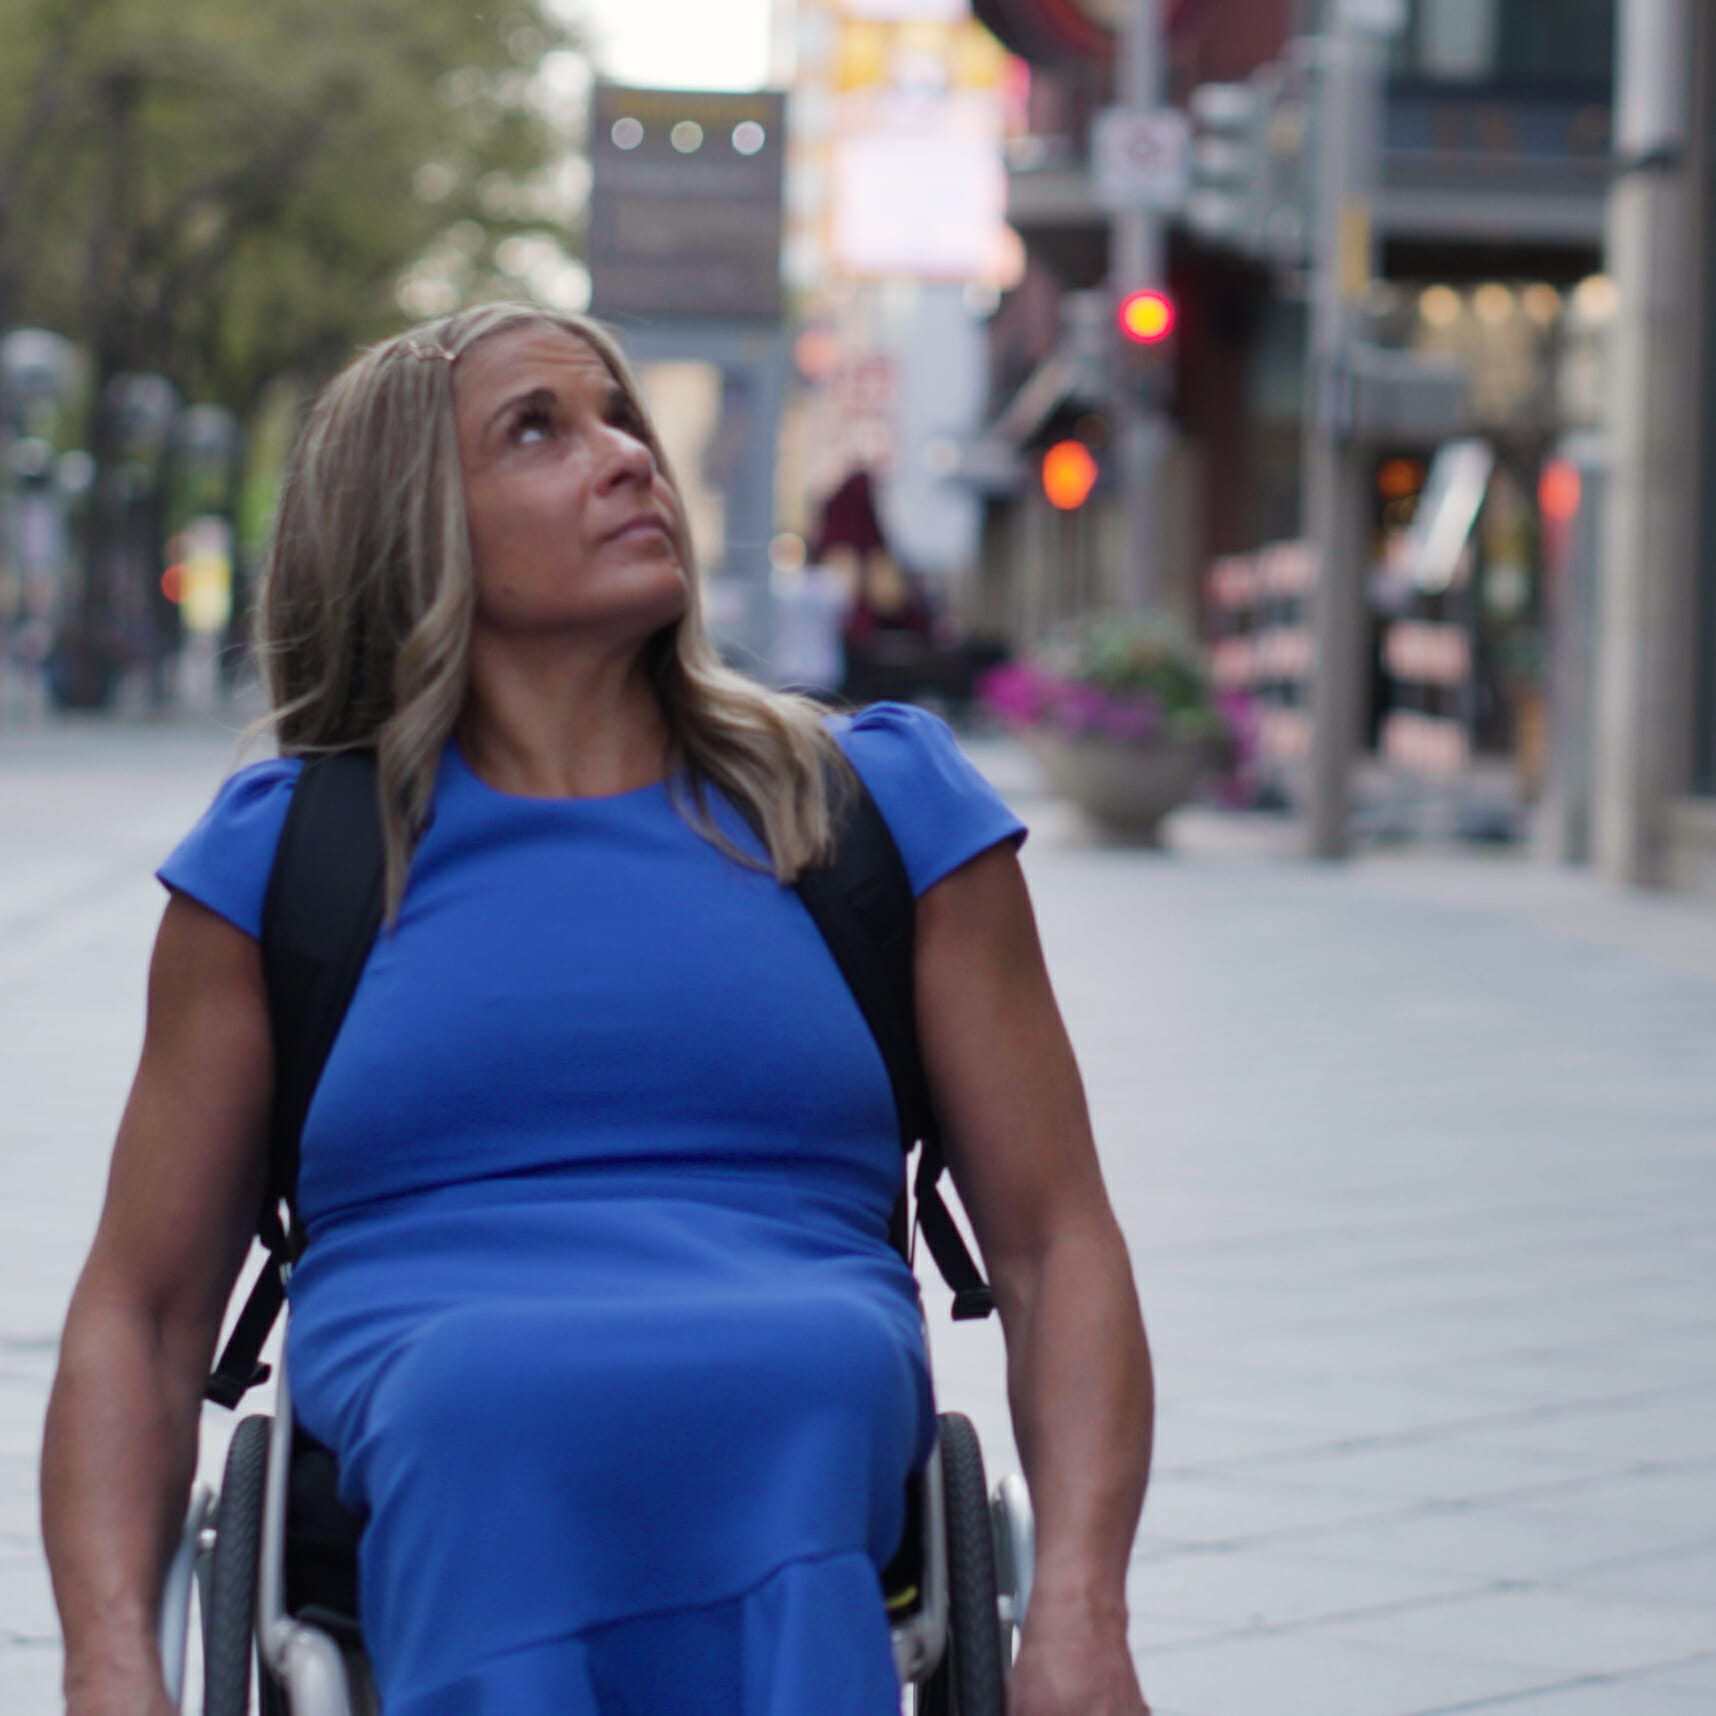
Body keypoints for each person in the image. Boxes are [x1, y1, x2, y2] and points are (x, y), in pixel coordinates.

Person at [40, 303, 1154, 1716]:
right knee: (483, 1396)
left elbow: (1059, 1243)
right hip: (440, 1385)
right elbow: (137, 1315)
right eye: (538, 430)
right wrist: (107, 1672)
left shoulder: (875, 810)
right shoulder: (286, 862)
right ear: (414, 527)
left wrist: (1079, 1620)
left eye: (620, 414)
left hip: (801, 1363)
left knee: (793, 1375)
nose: (630, 456)